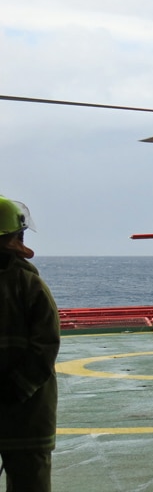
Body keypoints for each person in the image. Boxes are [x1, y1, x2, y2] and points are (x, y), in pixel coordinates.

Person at [0, 197, 60, 492]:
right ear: (14, 238)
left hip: (26, 414)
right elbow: (47, 345)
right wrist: (17, 389)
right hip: (28, 416)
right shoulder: (29, 285)